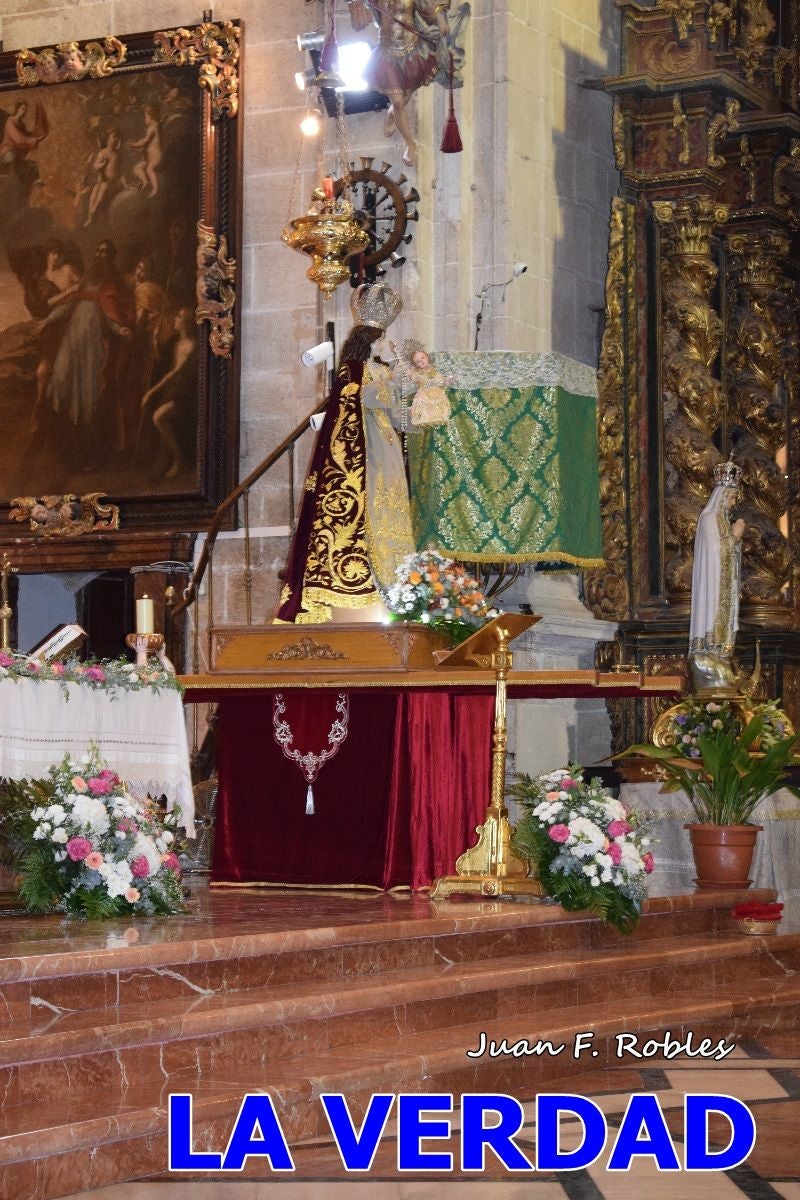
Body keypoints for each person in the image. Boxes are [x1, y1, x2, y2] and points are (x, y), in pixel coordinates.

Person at [276, 282, 414, 623]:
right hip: (367, 455)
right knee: (369, 512)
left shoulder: (380, 371)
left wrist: (418, 398)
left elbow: (400, 416)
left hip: (387, 451)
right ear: (370, 340)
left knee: (390, 513)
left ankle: (398, 586)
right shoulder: (354, 371)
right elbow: (363, 401)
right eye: (382, 340)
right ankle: (364, 583)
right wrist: (394, 378)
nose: (386, 345)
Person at [349, 1, 468, 166]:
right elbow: (360, 13)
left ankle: (392, 113)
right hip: (387, 54)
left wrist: (440, 19)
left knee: (405, 94)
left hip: (412, 51)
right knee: (398, 102)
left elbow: (428, 8)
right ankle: (410, 144)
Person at [688, 458, 745, 694]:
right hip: (712, 588)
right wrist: (734, 537)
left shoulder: (722, 520)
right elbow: (714, 553)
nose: (732, 504)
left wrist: (734, 540)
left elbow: (728, 555)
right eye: (731, 498)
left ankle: (721, 652)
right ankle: (709, 650)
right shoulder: (709, 519)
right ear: (721, 495)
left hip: (723, 587)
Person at [399, 338, 452, 426]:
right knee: (423, 407)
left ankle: (440, 418)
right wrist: (409, 373)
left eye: (423, 358)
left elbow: (441, 381)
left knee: (439, 408)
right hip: (423, 394)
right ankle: (424, 420)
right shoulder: (417, 373)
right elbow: (412, 378)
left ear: (427, 356)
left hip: (437, 393)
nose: (422, 362)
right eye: (418, 362)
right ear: (415, 365)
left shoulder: (434, 370)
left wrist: (448, 380)